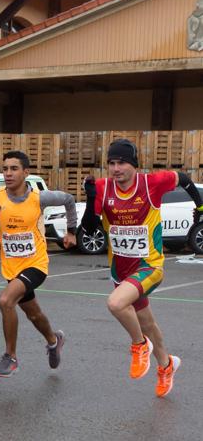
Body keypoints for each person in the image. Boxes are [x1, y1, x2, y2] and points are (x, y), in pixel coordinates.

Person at [81, 139, 203, 398]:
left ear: (134, 165)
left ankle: (139, 345)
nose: (116, 168)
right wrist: (91, 197)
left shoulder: (152, 183)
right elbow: (90, 228)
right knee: (148, 323)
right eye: (112, 163)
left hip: (149, 265)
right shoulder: (103, 188)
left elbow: (183, 178)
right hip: (120, 270)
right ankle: (166, 365)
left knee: (115, 304)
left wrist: (200, 207)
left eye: (122, 162)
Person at [0, 151, 76, 378]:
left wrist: (71, 232)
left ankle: (10, 357)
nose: (8, 173)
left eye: (14, 169)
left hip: (36, 264)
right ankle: (54, 340)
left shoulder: (39, 198)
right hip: (12, 268)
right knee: (34, 314)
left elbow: (69, 200)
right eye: (5, 169)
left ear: (26, 173)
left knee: (5, 300)